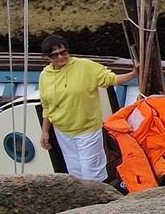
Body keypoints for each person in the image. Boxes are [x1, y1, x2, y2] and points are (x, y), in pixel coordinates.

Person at [34, 33, 120, 182]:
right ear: (47, 58)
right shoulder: (45, 75)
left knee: (92, 172)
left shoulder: (85, 66)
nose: (60, 57)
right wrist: (45, 131)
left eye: (63, 52)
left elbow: (110, 79)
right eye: (54, 55)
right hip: (63, 132)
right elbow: (47, 106)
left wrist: (133, 74)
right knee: (75, 172)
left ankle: (100, 201)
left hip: (88, 129)